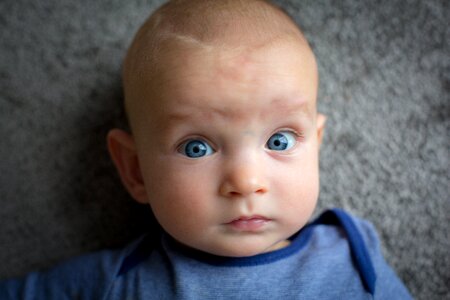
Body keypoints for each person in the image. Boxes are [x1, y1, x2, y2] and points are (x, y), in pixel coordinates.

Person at [0, 0, 413, 298]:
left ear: (316, 148)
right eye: (196, 148)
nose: (246, 182)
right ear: (135, 170)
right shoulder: (115, 281)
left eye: (279, 141)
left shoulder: (353, 254)